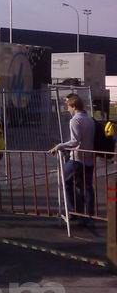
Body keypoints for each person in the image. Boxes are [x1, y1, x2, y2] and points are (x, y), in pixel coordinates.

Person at [50, 94, 96, 225]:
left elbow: (75, 141)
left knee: (65, 181)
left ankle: (73, 211)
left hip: (77, 159)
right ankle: (89, 216)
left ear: (74, 106)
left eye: (68, 107)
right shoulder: (90, 119)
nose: (68, 110)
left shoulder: (75, 120)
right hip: (89, 158)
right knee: (86, 187)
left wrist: (59, 146)